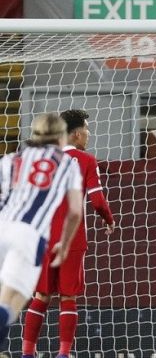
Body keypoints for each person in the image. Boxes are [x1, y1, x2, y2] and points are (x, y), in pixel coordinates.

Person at [21, 109, 115, 358]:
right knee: (68, 296)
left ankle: (27, 352)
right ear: (75, 134)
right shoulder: (86, 161)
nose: (89, 134)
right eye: (87, 129)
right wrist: (109, 219)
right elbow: (97, 200)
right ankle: (64, 354)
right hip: (71, 238)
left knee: (41, 295)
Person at [0, 113, 83, 348]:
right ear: (62, 137)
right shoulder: (67, 163)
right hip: (28, 236)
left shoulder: (10, 160)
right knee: (9, 306)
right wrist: (65, 244)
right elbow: (75, 211)